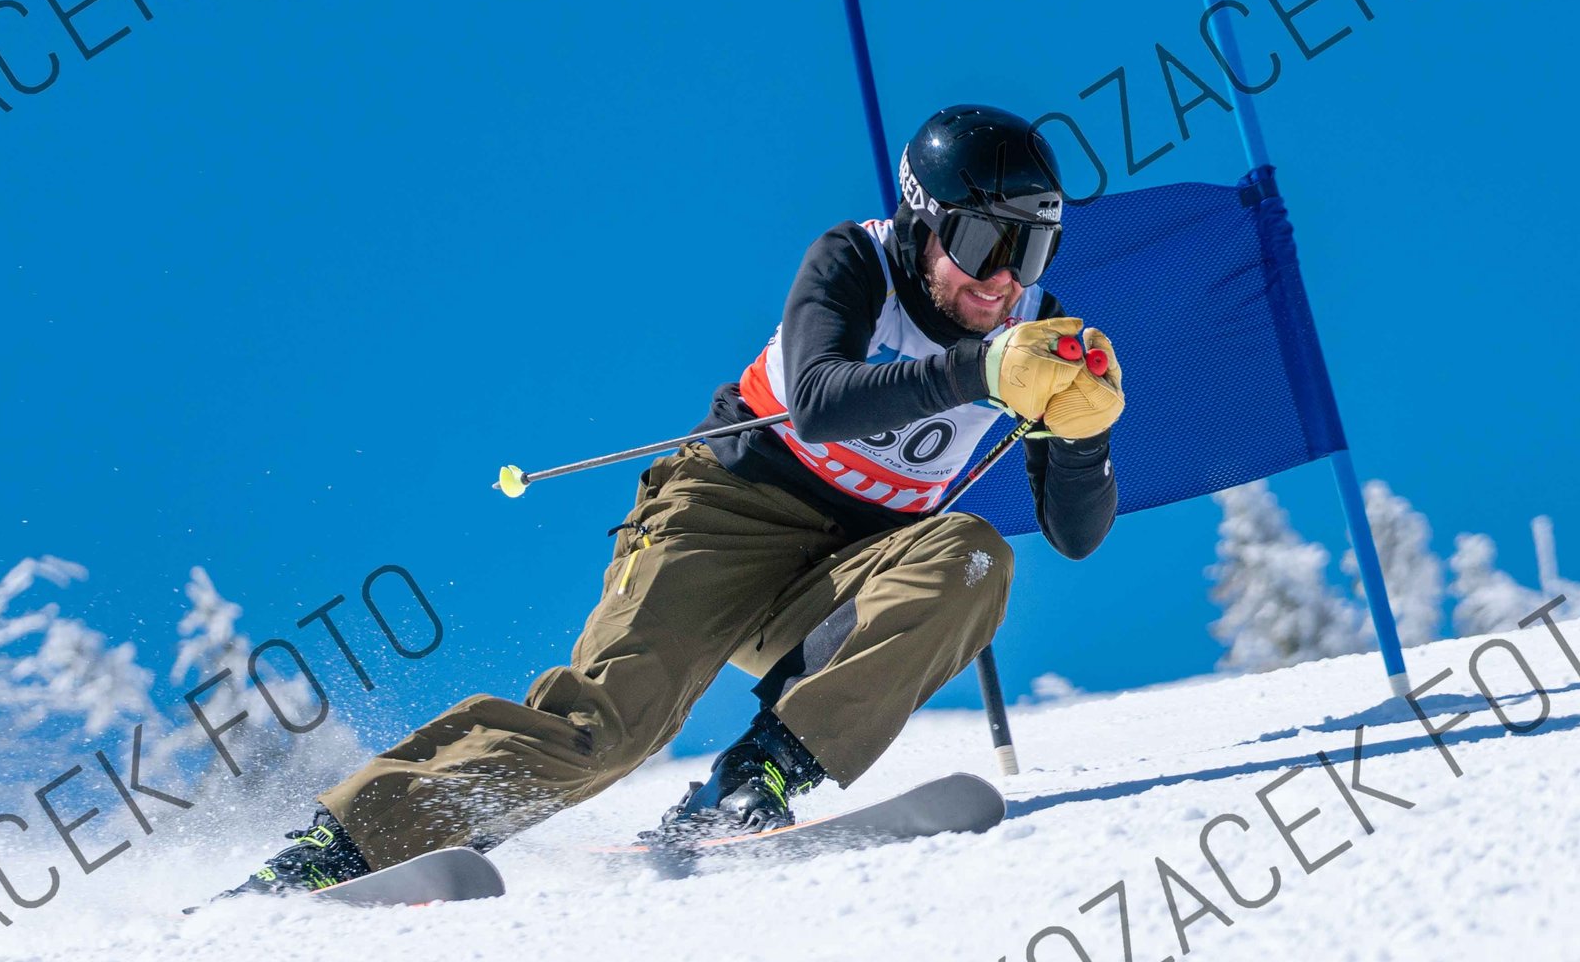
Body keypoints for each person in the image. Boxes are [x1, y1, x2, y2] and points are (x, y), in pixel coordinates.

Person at [248, 105, 1124, 890]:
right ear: (920, 221)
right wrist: (979, 370)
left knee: (974, 556)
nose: (1002, 280)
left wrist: (1083, 436)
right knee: (610, 726)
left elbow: (1074, 535)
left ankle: (758, 775)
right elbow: (818, 400)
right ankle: (349, 843)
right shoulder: (855, 261)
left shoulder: (1029, 332)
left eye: (1029, 250)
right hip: (724, 513)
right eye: (981, 243)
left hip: (846, 572)